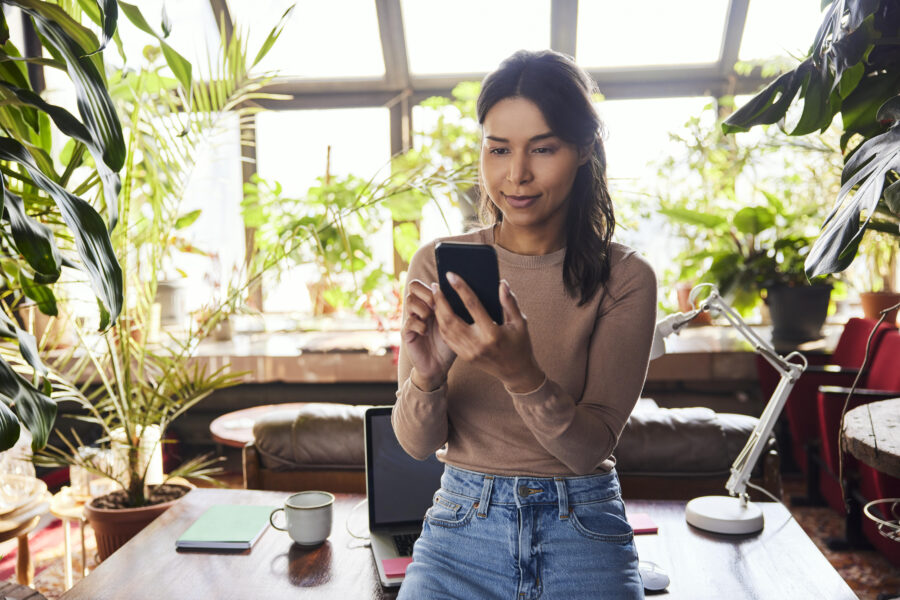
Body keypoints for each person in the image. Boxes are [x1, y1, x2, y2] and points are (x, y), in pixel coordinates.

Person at [393, 49, 657, 600]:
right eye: (498, 149)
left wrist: (522, 375)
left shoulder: (626, 278)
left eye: (543, 148)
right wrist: (427, 377)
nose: (516, 175)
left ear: (584, 149)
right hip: (461, 526)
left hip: (583, 524)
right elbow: (417, 445)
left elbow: (588, 449)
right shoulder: (437, 262)